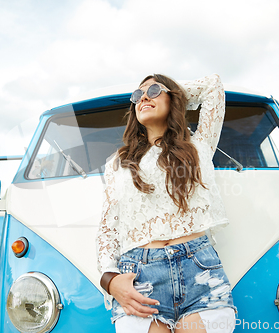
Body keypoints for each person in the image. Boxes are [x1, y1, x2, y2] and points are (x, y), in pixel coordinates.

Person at [96, 74, 237, 333]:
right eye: (137, 96)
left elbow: (213, 85)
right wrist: (109, 280)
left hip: (199, 269)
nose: (144, 97)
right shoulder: (117, 162)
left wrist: (171, 93)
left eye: (152, 90)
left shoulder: (199, 144)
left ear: (174, 99)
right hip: (139, 275)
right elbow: (108, 227)